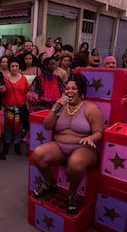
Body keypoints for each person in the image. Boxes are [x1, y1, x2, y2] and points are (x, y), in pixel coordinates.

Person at [32, 73, 103, 215]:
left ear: (81, 92)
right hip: (60, 146)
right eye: (67, 88)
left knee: (75, 162)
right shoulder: (60, 106)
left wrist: (91, 139)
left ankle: (72, 193)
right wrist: (57, 107)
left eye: (74, 88)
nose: (69, 91)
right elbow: (47, 125)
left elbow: (98, 132)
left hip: (83, 148)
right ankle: (50, 184)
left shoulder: (91, 109)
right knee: (38, 153)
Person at [2, 57, 29, 155]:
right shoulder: (4, 78)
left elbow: (27, 93)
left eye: (16, 66)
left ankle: (17, 145)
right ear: (9, 67)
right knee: (7, 127)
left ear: (19, 67)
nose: (14, 68)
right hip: (8, 108)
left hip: (20, 108)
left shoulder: (23, 79)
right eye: (12, 66)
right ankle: (6, 144)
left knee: (19, 127)